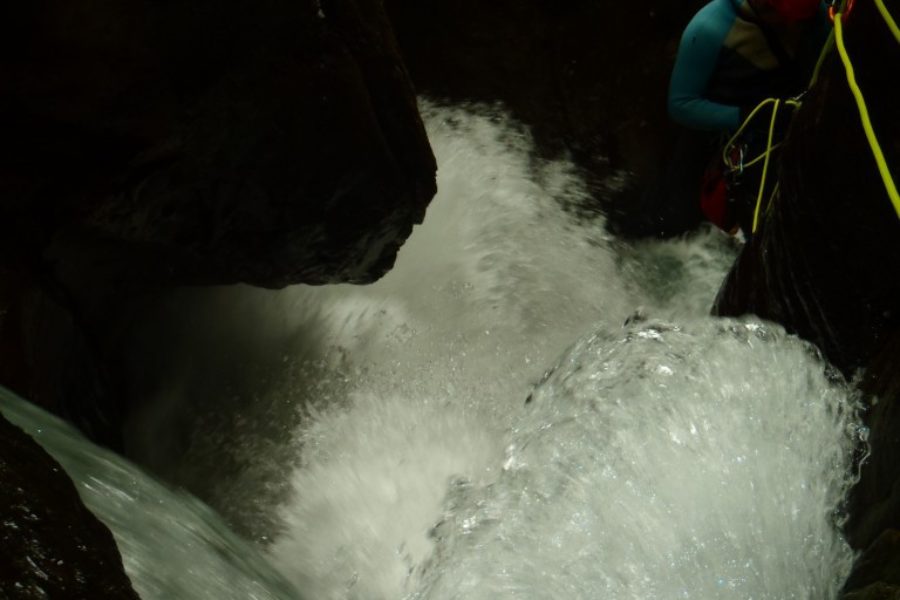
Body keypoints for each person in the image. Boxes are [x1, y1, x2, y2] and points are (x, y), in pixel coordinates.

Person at [632, 0, 831, 238]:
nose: (792, 27)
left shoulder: (812, 14)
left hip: (786, 129)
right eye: (784, 19)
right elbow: (681, 104)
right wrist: (746, 116)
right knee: (677, 222)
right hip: (725, 139)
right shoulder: (710, 28)